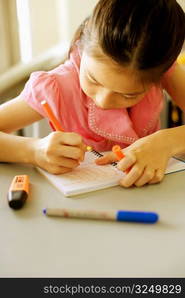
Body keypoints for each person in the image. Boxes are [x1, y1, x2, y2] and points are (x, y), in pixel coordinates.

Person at [0, 0, 185, 188]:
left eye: (129, 95)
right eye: (93, 79)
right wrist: (33, 151)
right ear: (82, 45)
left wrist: (167, 141)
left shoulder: (164, 71)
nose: (103, 100)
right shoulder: (56, 87)